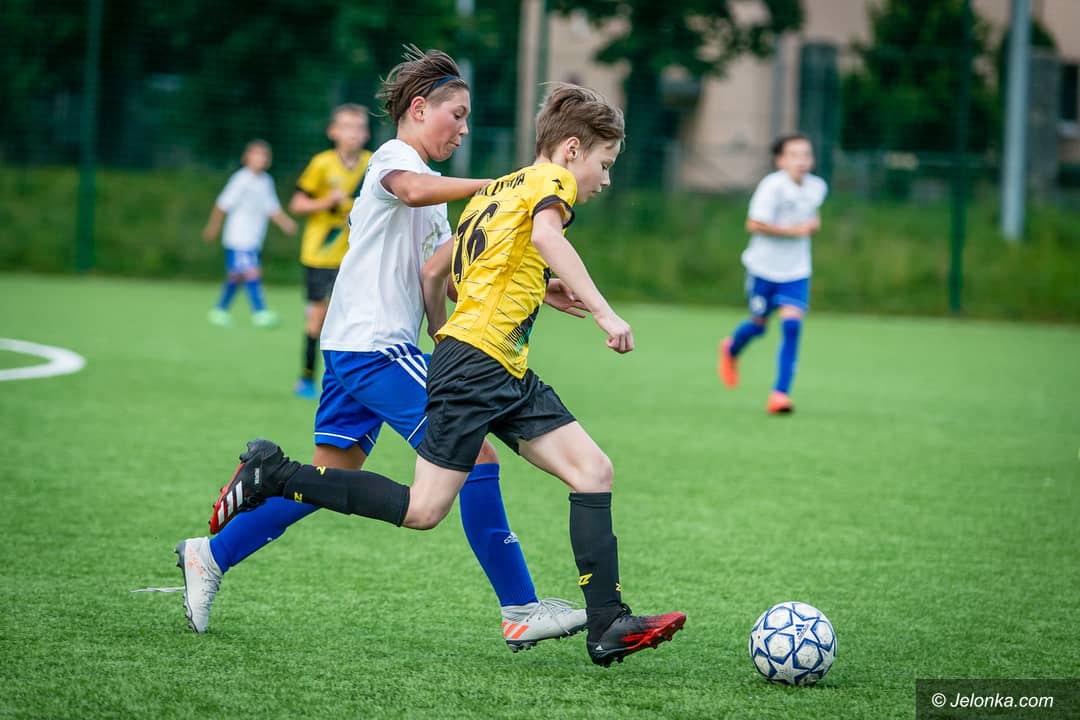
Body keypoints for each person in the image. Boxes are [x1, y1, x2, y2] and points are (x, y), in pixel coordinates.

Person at [208, 81, 687, 667]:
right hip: (466, 364)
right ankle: (276, 474)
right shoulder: (545, 180)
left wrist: (515, 297)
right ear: (570, 150)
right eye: (604, 164)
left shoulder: (498, 193)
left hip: (498, 365)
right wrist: (604, 312)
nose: (605, 180)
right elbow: (543, 235)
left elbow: (439, 270)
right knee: (424, 510)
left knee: (593, 470)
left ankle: (607, 622)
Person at [177, 47, 587, 652]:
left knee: (331, 474)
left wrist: (532, 290)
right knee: (475, 454)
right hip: (375, 347)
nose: (464, 130)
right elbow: (412, 190)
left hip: (356, 346)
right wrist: (506, 187)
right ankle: (521, 608)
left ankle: (211, 555)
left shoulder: (435, 197)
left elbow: (440, 275)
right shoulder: (395, 159)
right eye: (457, 115)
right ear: (419, 109)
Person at [718, 133, 828, 414]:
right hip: (763, 269)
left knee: (792, 327)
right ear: (780, 160)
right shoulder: (772, 186)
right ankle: (730, 349)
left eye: (806, 154)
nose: (801, 160)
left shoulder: (817, 187)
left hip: (797, 271)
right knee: (758, 325)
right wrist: (795, 231)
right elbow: (754, 224)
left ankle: (780, 394)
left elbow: (812, 216)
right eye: (794, 155)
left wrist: (812, 225)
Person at [290, 104, 373, 399]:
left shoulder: (373, 163)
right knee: (318, 315)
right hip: (320, 255)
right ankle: (307, 376)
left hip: (357, 256)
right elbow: (297, 204)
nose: (354, 133)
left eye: (359, 127)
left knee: (355, 319)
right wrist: (327, 201)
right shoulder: (322, 164)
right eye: (347, 127)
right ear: (333, 131)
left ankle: (348, 381)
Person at [202, 139, 297, 328]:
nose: (261, 159)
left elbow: (272, 207)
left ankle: (219, 310)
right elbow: (222, 205)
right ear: (246, 158)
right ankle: (259, 312)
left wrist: (285, 223)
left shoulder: (266, 181)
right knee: (252, 271)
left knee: (236, 275)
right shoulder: (241, 179)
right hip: (238, 237)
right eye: (257, 155)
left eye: (264, 155)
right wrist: (212, 227)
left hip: (254, 238)